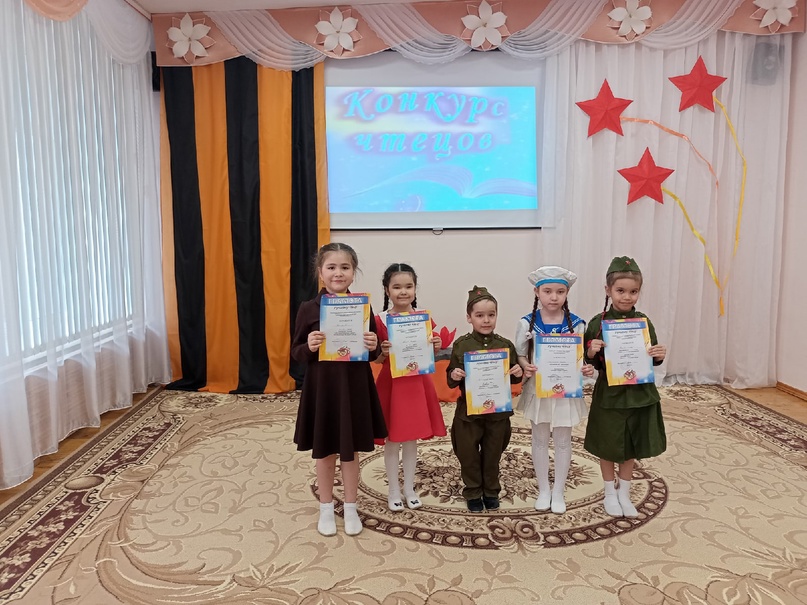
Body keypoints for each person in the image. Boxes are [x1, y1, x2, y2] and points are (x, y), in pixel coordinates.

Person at [291, 243, 388, 536]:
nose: (338, 273)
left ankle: (350, 506)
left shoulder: (363, 307)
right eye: (331, 267)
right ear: (320, 272)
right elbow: (296, 352)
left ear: (353, 272)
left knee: (350, 449)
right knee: (324, 449)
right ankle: (325, 507)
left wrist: (373, 346)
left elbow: (372, 354)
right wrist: (309, 346)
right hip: (323, 389)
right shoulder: (308, 308)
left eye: (345, 267)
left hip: (354, 387)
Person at [584, 256, 667, 518]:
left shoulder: (643, 322)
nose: (627, 297)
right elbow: (589, 361)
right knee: (607, 442)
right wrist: (591, 350)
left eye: (633, 291)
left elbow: (651, 359)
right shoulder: (597, 324)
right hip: (610, 393)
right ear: (608, 290)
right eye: (620, 290)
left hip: (638, 393)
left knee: (630, 443)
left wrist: (658, 354)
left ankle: (624, 493)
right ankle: (610, 492)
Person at [515, 266, 594, 514]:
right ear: (536, 292)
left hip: (565, 392)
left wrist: (585, 369)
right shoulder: (526, 323)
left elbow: (580, 358)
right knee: (539, 438)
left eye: (560, 292)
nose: (553, 297)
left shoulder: (577, 324)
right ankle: (543, 489)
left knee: (562, 439)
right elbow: (519, 353)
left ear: (567, 293)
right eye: (547, 291)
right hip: (538, 390)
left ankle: (558, 490)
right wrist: (526, 366)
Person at [375, 263, 446, 512]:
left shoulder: (423, 318)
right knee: (392, 439)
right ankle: (393, 490)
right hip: (392, 384)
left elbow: (427, 355)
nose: (403, 292)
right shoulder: (379, 320)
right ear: (387, 290)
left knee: (411, 439)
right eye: (397, 287)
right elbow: (377, 359)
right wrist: (382, 353)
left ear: (415, 289)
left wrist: (435, 345)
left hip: (416, 384)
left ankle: (409, 488)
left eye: (408, 286)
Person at [447, 286, 523, 512]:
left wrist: (517, 372)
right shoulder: (462, 345)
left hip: (497, 413)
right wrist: (454, 374)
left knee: (493, 453)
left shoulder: (505, 345)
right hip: (469, 413)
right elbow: (451, 375)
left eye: (491, 315)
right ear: (469, 317)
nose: (486, 320)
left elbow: (512, 378)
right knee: (467, 453)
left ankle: (490, 491)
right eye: (479, 315)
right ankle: (472, 491)